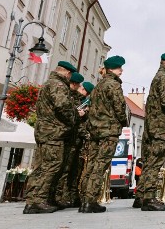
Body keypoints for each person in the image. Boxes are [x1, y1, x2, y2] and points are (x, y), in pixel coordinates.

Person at [23, 61, 77, 214]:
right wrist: (73, 119)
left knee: (41, 166)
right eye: (70, 75)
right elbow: (63, 106)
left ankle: (33, 199)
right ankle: (38, 201)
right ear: (67, 73)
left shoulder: (48, 83)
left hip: (44, 131)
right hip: (53, 132)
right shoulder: (58, 85)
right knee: (52, 165)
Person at [81, 55, 128, 214]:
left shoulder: (98, 85)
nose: (121, 71)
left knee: (92, 165)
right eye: (119, 68)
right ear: (111, 69)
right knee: (100, 166)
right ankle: (90, 201)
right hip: (108, 131)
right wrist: (123, 122)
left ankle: (84, 200)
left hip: (95, 130)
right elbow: (120, 108)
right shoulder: (113, 85)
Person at [137, 53, 165, 212]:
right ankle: (149, 199)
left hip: (155, 125)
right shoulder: (163, 78)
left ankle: (142, 196)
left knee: (150, 160)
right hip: (160, 126)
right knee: (154, 162)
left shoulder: (161, 76)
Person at [55, 72, 88, 208]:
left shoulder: (76, 98)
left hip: (74, 138)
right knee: (64, 169)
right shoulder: (66, 95)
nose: (81, 89)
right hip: (66, 137)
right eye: (79, 86)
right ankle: (58, 196)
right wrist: (78, 114)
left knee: (73, 170)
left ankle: (69, 196)